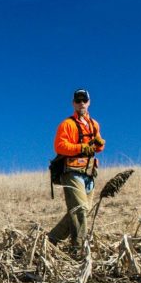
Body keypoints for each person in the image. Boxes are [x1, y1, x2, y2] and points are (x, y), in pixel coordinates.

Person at [47, 88, 105, 252]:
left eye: (84, 100)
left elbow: (97, 147)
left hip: (89, 174)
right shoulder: (67, 124)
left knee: (82, 211)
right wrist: (81, 147)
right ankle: (79, 250)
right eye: (78, 100)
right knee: (79, 210)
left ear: (89, 102)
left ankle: (50, 241)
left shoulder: (94, 124)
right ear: (73, 103)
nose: (81, 103)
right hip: (72, 171)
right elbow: (59, 146)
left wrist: (100, 144)